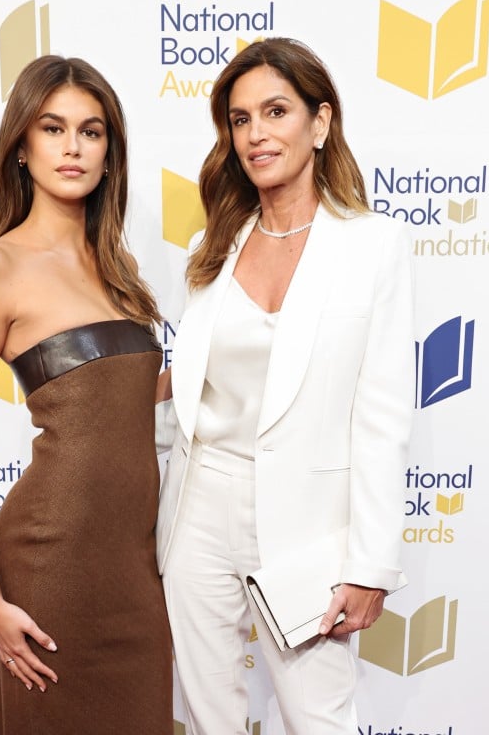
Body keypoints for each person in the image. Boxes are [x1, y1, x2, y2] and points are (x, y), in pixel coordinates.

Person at [155, 37, 415, 734]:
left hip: (307, 523)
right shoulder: (210, 248)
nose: (256, 134)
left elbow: (384, 416)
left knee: (318, 718)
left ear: (320, 123)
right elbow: (185, 389)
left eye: (275, 111)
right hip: (200, 508)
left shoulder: (373, 245)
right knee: (209, 716)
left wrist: (371, 565)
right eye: (240, 119)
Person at [0, 55, 172, 735]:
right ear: (22, 147)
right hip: (52, 559)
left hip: (136, 564)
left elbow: (116, 406)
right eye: (53, 127)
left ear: (109, 153)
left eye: (91, 131)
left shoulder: (119, 271)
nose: (72, 147)